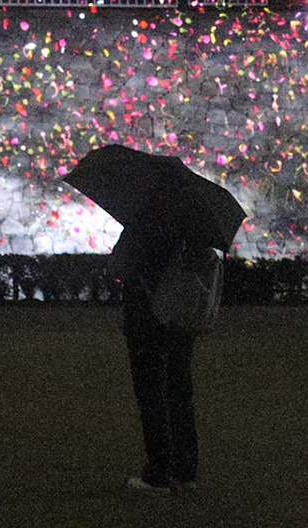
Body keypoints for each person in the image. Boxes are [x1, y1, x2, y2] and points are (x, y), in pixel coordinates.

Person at [113, 195, 200, 493]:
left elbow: (117, 266)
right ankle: (185, 470)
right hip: (180, 319)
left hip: (146, 319)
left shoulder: (143, 223)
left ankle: (159, 473)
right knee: (179, 391)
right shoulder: (192, 226)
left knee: (152, 395)